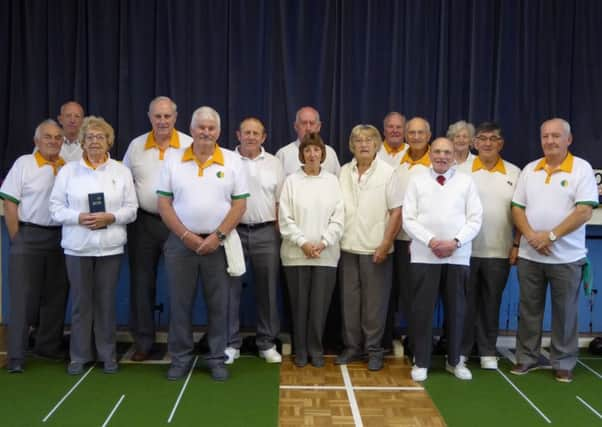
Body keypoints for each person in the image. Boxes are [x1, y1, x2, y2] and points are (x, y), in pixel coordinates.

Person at [157, 106, 249, 381]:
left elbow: (239, 205)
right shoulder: (173, 159)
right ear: (192, 129)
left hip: (218, 245)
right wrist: (187, 236)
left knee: (219, 306)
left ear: (218, 132)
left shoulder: (233, 161)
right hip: (180, 244)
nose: (206, 132)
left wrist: (216, 237)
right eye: (201, 127)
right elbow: (163, 204)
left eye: (211, 128)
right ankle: (181, 358)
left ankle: (217, 359)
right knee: (180, 304)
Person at [510, 118, 598, 383]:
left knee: (565, 313)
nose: (550, 141)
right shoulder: (529, 170)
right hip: (530, 255)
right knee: (529, 310)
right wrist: (530, 237)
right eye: (546, 136)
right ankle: (526, 358)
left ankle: (563, 362)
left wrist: (549, 236)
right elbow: (517, 208)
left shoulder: (581, 169)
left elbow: (584, 211)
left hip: (567, 258)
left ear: (568, 140)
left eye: (556, 136)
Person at [49, 116, 138, 375]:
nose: (95, 142)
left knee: (106, 303)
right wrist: (78, 217)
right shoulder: (68, 171)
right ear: (82, 142)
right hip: (77, 248)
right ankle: (78, 356)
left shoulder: (121, 171)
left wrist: (111, 217)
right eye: (90, 137)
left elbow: (131, 210)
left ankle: (107, 355)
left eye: (100, 137)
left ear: (108, 141)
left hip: (109, 247)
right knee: (80, 304)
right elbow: (55, 209)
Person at [403, 137, 482, 381]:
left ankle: (455, 361)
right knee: (422, 311)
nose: (442, 156)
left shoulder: (466, 182)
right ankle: (421, 361)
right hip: (425, 256)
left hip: (457, 257)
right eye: (437, 151)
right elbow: (408, 218)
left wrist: (455, 242)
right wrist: (431, 241)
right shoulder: (416, 181)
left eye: (447, 152)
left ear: (454, 156)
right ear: (430, 154)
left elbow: (475, 218)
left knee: (457, 311)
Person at [123, 96, 192, 362]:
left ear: (175, 117)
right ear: (149, 117)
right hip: (144, 222)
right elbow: (124, 181)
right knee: (141, 284)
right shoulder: (136, 146)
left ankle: (179, 345)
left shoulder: (188, 145)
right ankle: (143, 343)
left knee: (181, 285)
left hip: (179, 222)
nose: (162, 121)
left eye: (167, 116)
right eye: (157, 116)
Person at [0, 120, 69, 373]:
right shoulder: (24, 163)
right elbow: (9, 203)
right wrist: (17, 237)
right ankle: (16, 357)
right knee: (22, 299)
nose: (53, 141)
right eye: (48, 137)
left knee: (56, 295)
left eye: (57, 138)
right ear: (36, 141)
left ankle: (48, 348)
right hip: (28, 235)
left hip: (60, 237)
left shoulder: (68, 167)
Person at [336, 124, 402, 371]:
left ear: (377, 145)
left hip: (376, 248)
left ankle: (374, 350)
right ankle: (352, 347)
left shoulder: (388, 172)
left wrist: (386, 243)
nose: (363, 144)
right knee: (349, 303)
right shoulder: (343, 172)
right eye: (358, 140)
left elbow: (397, 211)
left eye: (369, 140)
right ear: (352, 145)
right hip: (347, 247)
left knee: (374, 305)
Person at [279, 132, 344, 368]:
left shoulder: (332, 182)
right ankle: (301, 350)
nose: (312, 154)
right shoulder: (291, 182)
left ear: (323, 154)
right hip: (296, 255)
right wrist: (303, 243)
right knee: (299, 306)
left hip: (325, 256)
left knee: (319, 307)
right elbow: (285, 218)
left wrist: (324, 242)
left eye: (316, 150)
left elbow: (339, 217)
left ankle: (316, 349)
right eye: (307, 150)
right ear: (301, 154)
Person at [461, 122, 521, 370]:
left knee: (491, 302)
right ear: (475, 143)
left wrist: (516, 243)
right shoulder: (461, 171)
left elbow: (521, 211)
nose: (487, 143)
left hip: (499, 250)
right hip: (465, 252)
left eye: (493, 138)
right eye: (482, 138)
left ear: (501, 143)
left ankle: (487, 351)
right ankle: (461, 351)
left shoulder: (515, 173)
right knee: (465, 304)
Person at [226, 117, 285, 364]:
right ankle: (230, 344)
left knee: (268, 291)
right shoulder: (226, 160)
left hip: (265, 232)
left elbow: (281, 201)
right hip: (233, 232)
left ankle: (267, 343)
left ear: (264, 137)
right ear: (238, 135)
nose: (251, 136)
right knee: (230, 290)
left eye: (256, 133)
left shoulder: (275, 163)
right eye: (246, 132)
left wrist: (279, 234)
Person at [393, 117, 433, 354]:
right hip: (400, 241)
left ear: (428, 136)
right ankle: (413, 342)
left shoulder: (437, 163)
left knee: (425, 297)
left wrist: (420, 237)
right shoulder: (398, 162)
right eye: (412, 133)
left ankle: (422, 346)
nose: (416, 137)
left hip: (425, 243)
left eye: (421, 133)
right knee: (407, 296)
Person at [276, 106, 341, 176]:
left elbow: (337, 183)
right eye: (304, 123)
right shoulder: (283, 154)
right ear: (296, 126)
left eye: (312, 123)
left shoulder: (330, 153)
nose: (308, 128)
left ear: (318, 126)